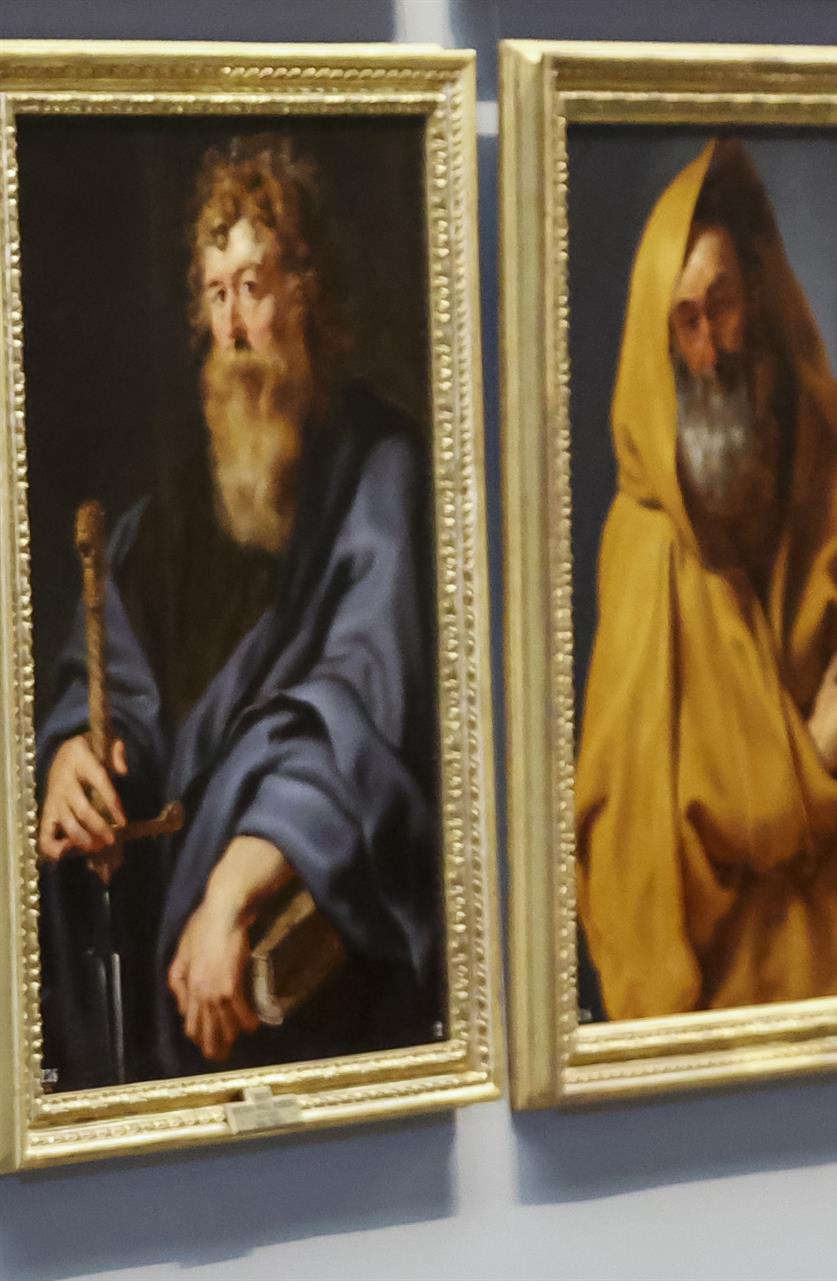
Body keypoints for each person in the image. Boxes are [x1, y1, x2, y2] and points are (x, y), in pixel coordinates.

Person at [35, 134, 443, 1083]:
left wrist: (231, 888)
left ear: (306, 293)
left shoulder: (380, 470)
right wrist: (76, 759)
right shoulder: (174, 513)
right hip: (176, 964)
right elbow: (117, 683)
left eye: (253, 287)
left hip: (311, 967)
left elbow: (360, 708)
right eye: (216, 295)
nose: (233, 326)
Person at [573, 139, 837, 1020]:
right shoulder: (642, 542)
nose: (711, 349)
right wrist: (803, 771)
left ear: (757, 299)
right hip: (717, 1011)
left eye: (723, 305)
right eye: (685, 320)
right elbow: (632, 872)